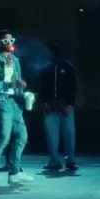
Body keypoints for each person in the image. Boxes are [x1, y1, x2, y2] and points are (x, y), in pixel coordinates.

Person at [0, 29, 33, 184]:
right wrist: (11, 83)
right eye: (5, 40)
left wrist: (21, 89)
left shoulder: (14, 59)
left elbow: (17, 80)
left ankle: (15, 172)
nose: (9, 43)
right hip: (1, 100)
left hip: (15, 101)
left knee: (22, 136)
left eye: (11, 40)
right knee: (4, 136)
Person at [40, 43, 78, 171]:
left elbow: (73, 87)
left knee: (69, 135)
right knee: (52, 136)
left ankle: (70, 160)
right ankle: (54, 161)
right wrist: (45, 103)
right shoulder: (45, 68)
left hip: (66, 106)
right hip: (50, 107)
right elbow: (41, 87)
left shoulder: (68, 67)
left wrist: (70, 104)